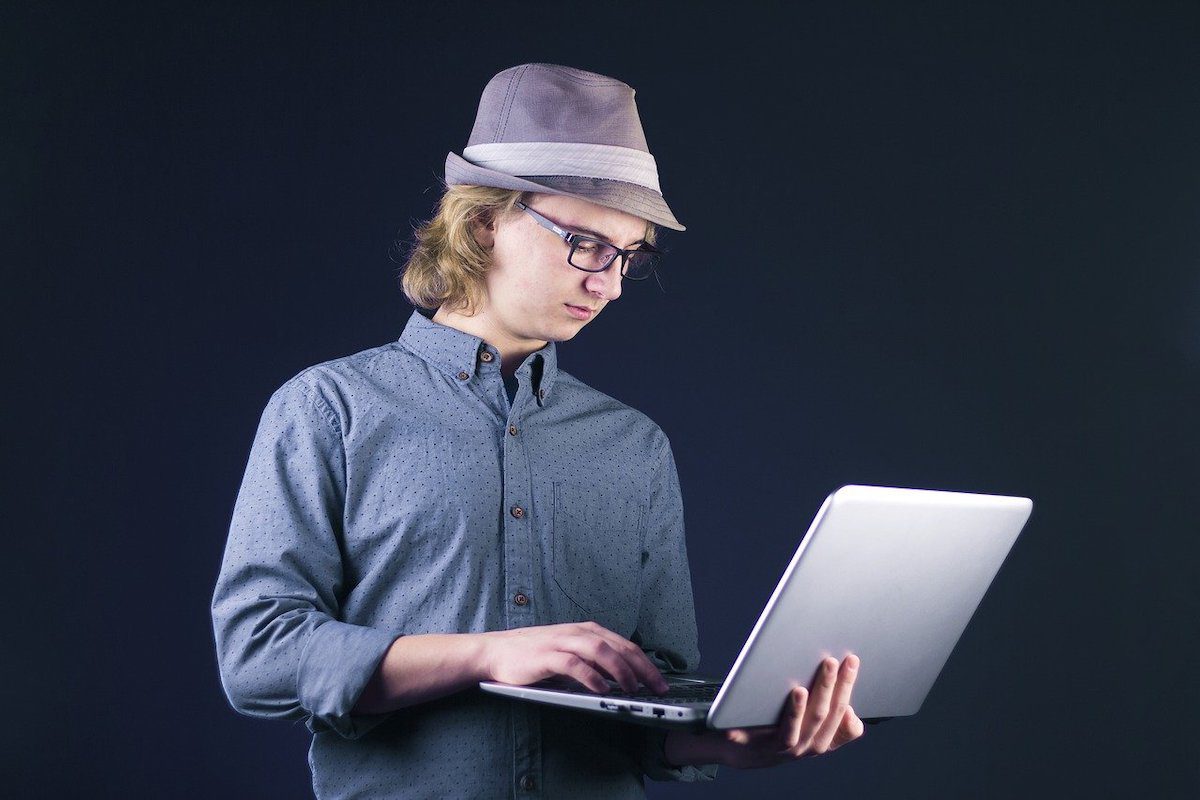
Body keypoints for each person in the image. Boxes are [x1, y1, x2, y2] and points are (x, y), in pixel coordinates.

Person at [211, 63, 864, 799]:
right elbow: (257, 658)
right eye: (586, 242)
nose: (609, 283)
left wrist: (740, 741)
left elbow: (654, 701)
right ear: (485, 221)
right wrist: (487, 654)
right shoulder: (328, 409)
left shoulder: (635, 446)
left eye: (628, 255)